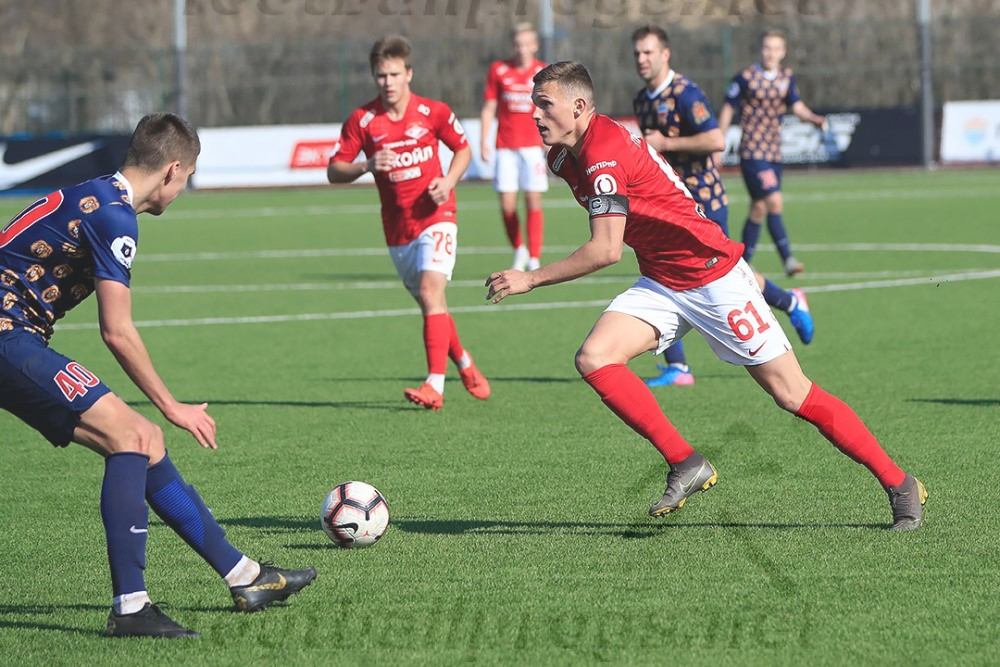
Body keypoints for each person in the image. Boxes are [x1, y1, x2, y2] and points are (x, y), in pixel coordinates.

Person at [485, 61, 926, 531]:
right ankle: (686, 463)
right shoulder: (563, 156)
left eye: (544, 104)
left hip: (714, 277)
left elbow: (606, 249)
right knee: (595, 358)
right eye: (534, 104)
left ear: (578, 106)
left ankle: (900, 484)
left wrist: (530, 278)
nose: (534, 114)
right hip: (663, 280)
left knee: (793, 394)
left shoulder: (602, 152)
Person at [0, 113, 317, 639]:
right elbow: (117, 331)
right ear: (172, 170)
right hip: (8, 338)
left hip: (15, 339)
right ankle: (130, 608)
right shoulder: (116, 217)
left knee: (144, 442)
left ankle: (245, 576)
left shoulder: (97, 195)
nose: (183, 187)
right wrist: (172, 404)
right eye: (187, 176)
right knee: (131, 435)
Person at [631, 25, 813, 388]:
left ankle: (788, 302)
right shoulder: (642, 99)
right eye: (637, 53)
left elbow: (715, 139)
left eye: (648, 52)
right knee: (662, 272)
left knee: (727, 277)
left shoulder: (686, 93)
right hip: (670, 204)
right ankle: (679, 366)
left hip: (704, 202)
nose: (642, 59)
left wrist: (667, 144)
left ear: (665, 54)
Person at [328, 35, 490, 411]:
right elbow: (334, 170)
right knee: (432, 304)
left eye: (395, 74)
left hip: (437, 216)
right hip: (397, 228)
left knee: (432, 292)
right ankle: (464, 361)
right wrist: (367, 165)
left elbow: (462, 149)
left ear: (409, 74)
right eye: (381, 75)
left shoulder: (433, 112)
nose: (388, 82)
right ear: (374, 76)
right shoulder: (363, 120)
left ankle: (434, 385)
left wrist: (448, 182)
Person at [717, 29, 827, 277]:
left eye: (776, 49)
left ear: (783, 52)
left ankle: (742, 264)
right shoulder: (745, 78)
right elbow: (727, 108)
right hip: (752, 152)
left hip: (773, 153)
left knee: (759, 207)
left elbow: (797, 107)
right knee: (774, 201)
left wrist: (813, 118)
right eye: (767, 48)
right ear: (761, 50)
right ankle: (788, 259)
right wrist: (718, 141)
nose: (771, 53)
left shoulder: (787, 78)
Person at [480, 22, 549, 271]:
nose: (522, 49)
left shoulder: (543, 72)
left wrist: (549, 139)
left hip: (533, 148)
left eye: (527, 44)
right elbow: (489, 107)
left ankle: (535, 258)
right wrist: (484, 140)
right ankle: (519, 249)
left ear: (535, 45)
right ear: (513, 46)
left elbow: (549, 108)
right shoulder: (498, 70)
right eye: (518, 44)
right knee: (507, 205)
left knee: (533, 200)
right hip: (505, 147)